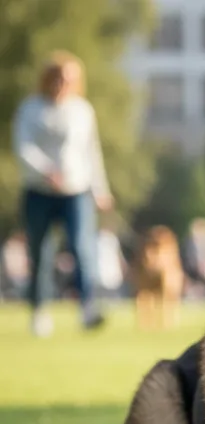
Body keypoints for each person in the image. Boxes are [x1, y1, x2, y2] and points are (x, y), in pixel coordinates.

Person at [13, 51, 113, 336]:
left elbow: (91, 153)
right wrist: (46, 170)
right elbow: (23, 147)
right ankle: (39, 310)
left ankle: (87, 308)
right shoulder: (31, 109)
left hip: (76, 191)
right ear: (48, 79)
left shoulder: (82, 110)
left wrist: (100, 189)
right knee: (40, 251)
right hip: (39, 190)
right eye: (57, 78)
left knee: (82, 248)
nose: (62, 84)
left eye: (68, 79)